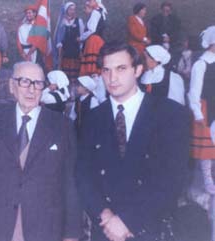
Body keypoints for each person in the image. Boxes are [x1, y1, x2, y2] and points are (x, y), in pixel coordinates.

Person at [75, 41, 189, 241]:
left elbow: (173, 177)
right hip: (106, 230)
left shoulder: (169, 113)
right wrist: (105, 215)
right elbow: (84, 175)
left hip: (151, 228)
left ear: (137, 70)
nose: (112, 78)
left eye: (121, 68)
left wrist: (128, 220)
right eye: (106, 70)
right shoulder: (92, 118)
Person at [0, 61, 81, 241]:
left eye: (37, 83)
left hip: (45, 229)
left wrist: (71, 235)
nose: (32, 89)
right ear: (12, 86)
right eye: (25, 82)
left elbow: (71, 184)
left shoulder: (62, 126)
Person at [187, 25, 215, 241]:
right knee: (207, 148)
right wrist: (197, 112)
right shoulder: (201, 64)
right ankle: (207, 178)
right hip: (206, 107)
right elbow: (194, 91)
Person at [54, 2, 84, 82]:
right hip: (65, 51)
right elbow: (59, 37)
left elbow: (82, 36)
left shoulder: (79, 21)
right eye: (70, 9)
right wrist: (60, 48)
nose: (72, 11)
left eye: (74, 9)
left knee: (75, 73)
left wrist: (81, 49)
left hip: (75, 51)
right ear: (66, 10)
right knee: (65, 73)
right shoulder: (62, 22)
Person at [78, 0, 107, 76]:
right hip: (99, 40)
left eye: (91, 1)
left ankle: (93, 79)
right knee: (96, 62)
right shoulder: (101, 12)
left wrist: (81, 38)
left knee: (92, 66)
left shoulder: (95, 13)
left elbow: (91, 30)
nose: (89, 2)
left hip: (93, 41)